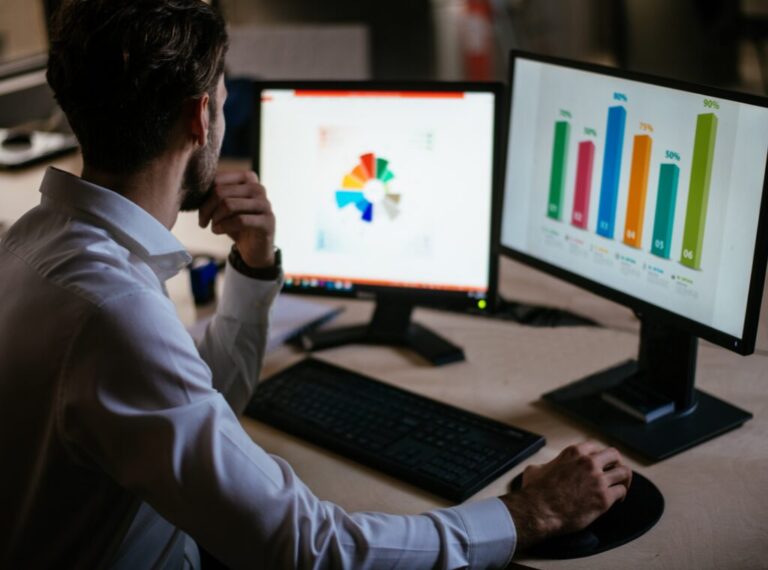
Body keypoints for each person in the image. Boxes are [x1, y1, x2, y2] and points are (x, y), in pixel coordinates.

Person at [0, 1, 632, 568]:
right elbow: (304, 546)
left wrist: (252, 265)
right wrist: (527, 517)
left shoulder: (35, 240)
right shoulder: (115, 313)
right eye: (222, 99)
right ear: (200, 117)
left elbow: (190, 410)